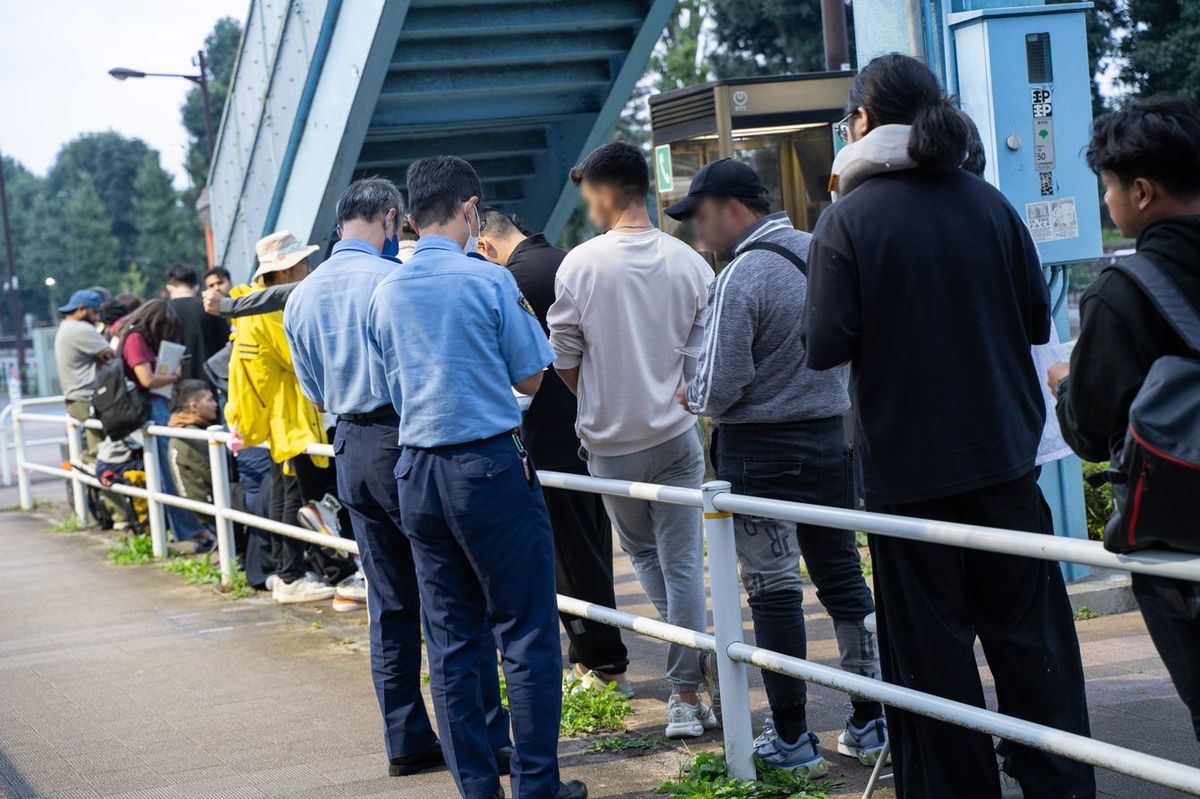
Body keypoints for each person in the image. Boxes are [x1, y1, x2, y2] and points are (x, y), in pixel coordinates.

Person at [804, 53, 1094, 798]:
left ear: (862, 120)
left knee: (931, 663)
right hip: (1005, 460)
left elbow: (824, 344)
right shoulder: (990, 204)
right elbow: (1037, 319)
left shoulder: (848, 219)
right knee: (1034, 646)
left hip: (909, 479)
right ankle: (1061, 783)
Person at [367, 156, 584, 799]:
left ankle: (477, 790)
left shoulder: (386, 292)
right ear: (470, 208)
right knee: (524, 629)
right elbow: (532, 377)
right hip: (488, 466)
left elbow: (388, 387)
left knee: (451, 640)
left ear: (407, 219)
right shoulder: (489, 282)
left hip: (417, 471)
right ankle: (537, 787)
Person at [284, 177, 513, 778]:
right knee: (453, 599)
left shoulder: (301, 296)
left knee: (387, 603)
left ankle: (406, 739)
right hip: (404, 442)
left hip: (347, 447)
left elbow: (311, 389)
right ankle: (485, 742)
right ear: (391, 219)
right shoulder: (390, 281)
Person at [666, 159, 886, 773]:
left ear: (733, 208)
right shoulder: (822, 252)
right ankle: (871, 720)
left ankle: (791, 735)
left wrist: (696, 393)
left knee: (774, 590)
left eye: (701, 219)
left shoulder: (743, 274)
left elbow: (721, 385)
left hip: (760, 453)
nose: (698, 234)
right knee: (843, 578)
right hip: (828, 440)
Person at [547, 142, 715, 739]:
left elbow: (563, 358)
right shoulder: (691, 262)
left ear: (606, 192)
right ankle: (688, 689)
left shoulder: (581, 265)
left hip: (610, 442)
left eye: (589, 194)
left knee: (644, 557)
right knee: (681, 563)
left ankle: (690, 676)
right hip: (675, 435)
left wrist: (596, 395)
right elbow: (702, 356)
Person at [1049, 95, 1200, 741]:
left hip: (1179, 542)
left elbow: (1086, 431)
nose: (1107, 202)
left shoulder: (1123, 292)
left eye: (1107, 188)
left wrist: (1064, 384)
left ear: (1141, 191)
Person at [476, 207, 631, 696]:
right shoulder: (569, 260)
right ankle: (590, 657)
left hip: (547, 433)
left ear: (485, 245)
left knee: (566, 556)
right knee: (590, 546)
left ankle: (603, 661)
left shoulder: (512, 280)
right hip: (594, 423)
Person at [224, 232, 357, 606]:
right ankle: (309, 574)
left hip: (282, 419)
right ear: (282, 274)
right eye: (302, 264)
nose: (308, 268)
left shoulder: (250, 308)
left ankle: (291, 573)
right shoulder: (272, 313)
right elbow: (303, 359)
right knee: (309, 501)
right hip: (297, 418)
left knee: (291, 498)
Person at [120, 299, 209, 544]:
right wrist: (173, 375)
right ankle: (189, 530)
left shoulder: (130, 335)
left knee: (165, 471)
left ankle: (182, 529)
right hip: (149, 407)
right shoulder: (136, 339)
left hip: (150, 406)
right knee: (170, 472)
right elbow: (146, 379)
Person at [54, 289, 113, 461]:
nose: (97, 317)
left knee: (91, 447)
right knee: (99, 453)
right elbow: (110, 355)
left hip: (76, 398)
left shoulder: (65, 326)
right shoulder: (81, 329)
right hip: (86, 398)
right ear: (81, 309)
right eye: (94, 312)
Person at [166, 379, 220, 531]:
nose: (215, 404)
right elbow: (219, 476)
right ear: (194, 406)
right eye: (210, 399)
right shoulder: (194, 437)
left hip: (198, 509)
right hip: (207, 511)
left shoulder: (180, 429)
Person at [165, 264, 230, 383]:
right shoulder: (211, 308)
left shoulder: (162, 312)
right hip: (211, 381)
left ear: (169, 287)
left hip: (174, 384)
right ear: (196, 287)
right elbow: (226, 344)